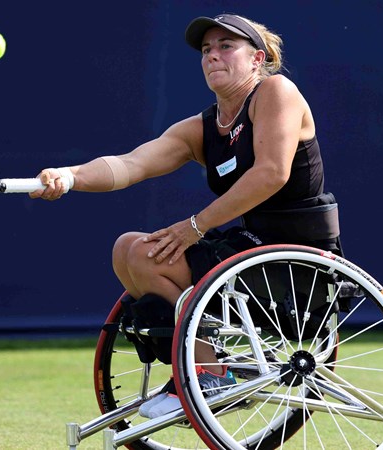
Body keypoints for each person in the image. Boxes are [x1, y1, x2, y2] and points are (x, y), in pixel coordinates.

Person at [30, 13, 342, 418]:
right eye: (207, 50)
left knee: (145, 254)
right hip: (250, 251)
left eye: (226, 46)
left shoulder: (276, 91)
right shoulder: (201, 127)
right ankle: (200, 368)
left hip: (298, 258)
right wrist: (69, 176)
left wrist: (195, 226)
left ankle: (208, 373)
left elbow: (271, 174)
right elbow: (131, 164)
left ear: (257, 59)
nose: (213, 55)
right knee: (129, 248)